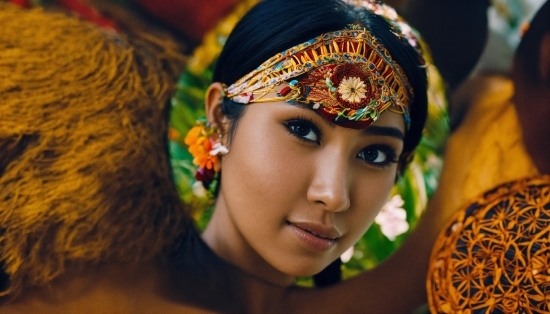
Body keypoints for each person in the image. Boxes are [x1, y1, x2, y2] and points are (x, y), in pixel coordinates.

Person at [1, 0, 429, 312]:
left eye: (375, 153)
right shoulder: (97, 202)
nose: (334, 195)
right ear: (220, 118)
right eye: (302, 129)